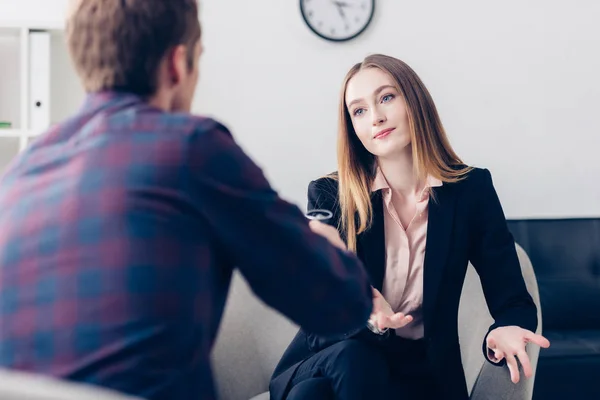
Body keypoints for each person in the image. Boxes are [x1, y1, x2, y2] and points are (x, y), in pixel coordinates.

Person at [0, 1, 374, 400]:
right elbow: (341, 305)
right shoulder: (192, 148)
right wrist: (325, 240)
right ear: (178, 64)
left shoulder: (20, 172)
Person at [270, 54, 551, 400]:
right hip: (338, 352)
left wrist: (508, 327)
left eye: (386, 97)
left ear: (414, 100)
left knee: (312, 396)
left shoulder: (469, 191)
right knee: (351, 362)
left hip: (423, 370)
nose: (376, 117)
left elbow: (512, 296)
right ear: (353, 128)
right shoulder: (331, 195)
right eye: (359, 111)